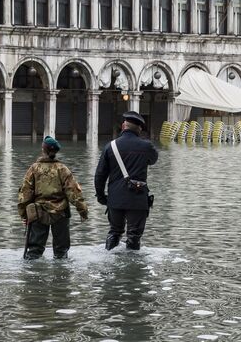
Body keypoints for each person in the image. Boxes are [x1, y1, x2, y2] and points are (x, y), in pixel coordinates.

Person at [94, 111, 158, 251]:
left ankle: (109, 256)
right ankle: (133, 270)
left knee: (114, 232)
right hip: (137, 198)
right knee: (134, 236)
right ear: (140, 129)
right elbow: (153, 160)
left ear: (123, 126)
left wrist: (101, 196)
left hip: (115, 198)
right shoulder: (147, 146)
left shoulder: (110, 146)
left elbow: (100, 175)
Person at [17, 136, 88, 260]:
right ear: (56, 152)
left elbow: (25, 194)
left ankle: (33, 277)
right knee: (61, 252)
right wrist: (83, 211)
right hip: (61, 213)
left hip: (38, 213)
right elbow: (74, 193)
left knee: (34, 252)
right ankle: (61, 278)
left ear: (43, 149)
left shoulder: (34, 168)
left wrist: (24, 214)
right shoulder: (63, 169)